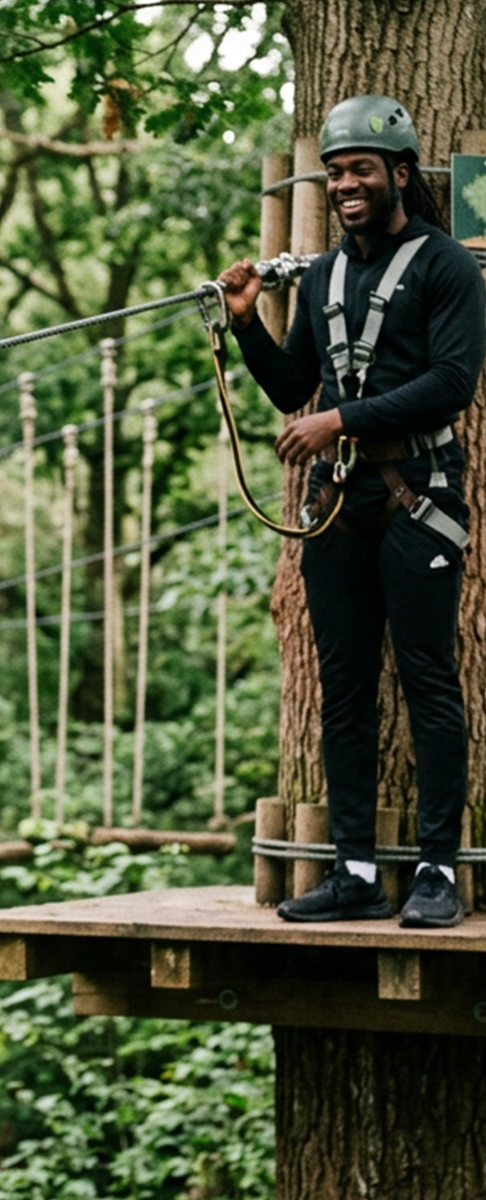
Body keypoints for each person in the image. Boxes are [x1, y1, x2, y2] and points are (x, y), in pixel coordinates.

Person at [220, 95, 485, 927]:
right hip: (339, 501)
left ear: (400, 173)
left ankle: (437, 870)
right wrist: (245, 329)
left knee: (428, 678)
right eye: (334, 173)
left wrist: (339, 420)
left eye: (361, 170)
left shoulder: (447, 266)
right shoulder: (328, 275)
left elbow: (453, 382)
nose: (344, 186)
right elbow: (299, 386)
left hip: (418, 494)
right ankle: (356, 870)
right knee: (344, 689)